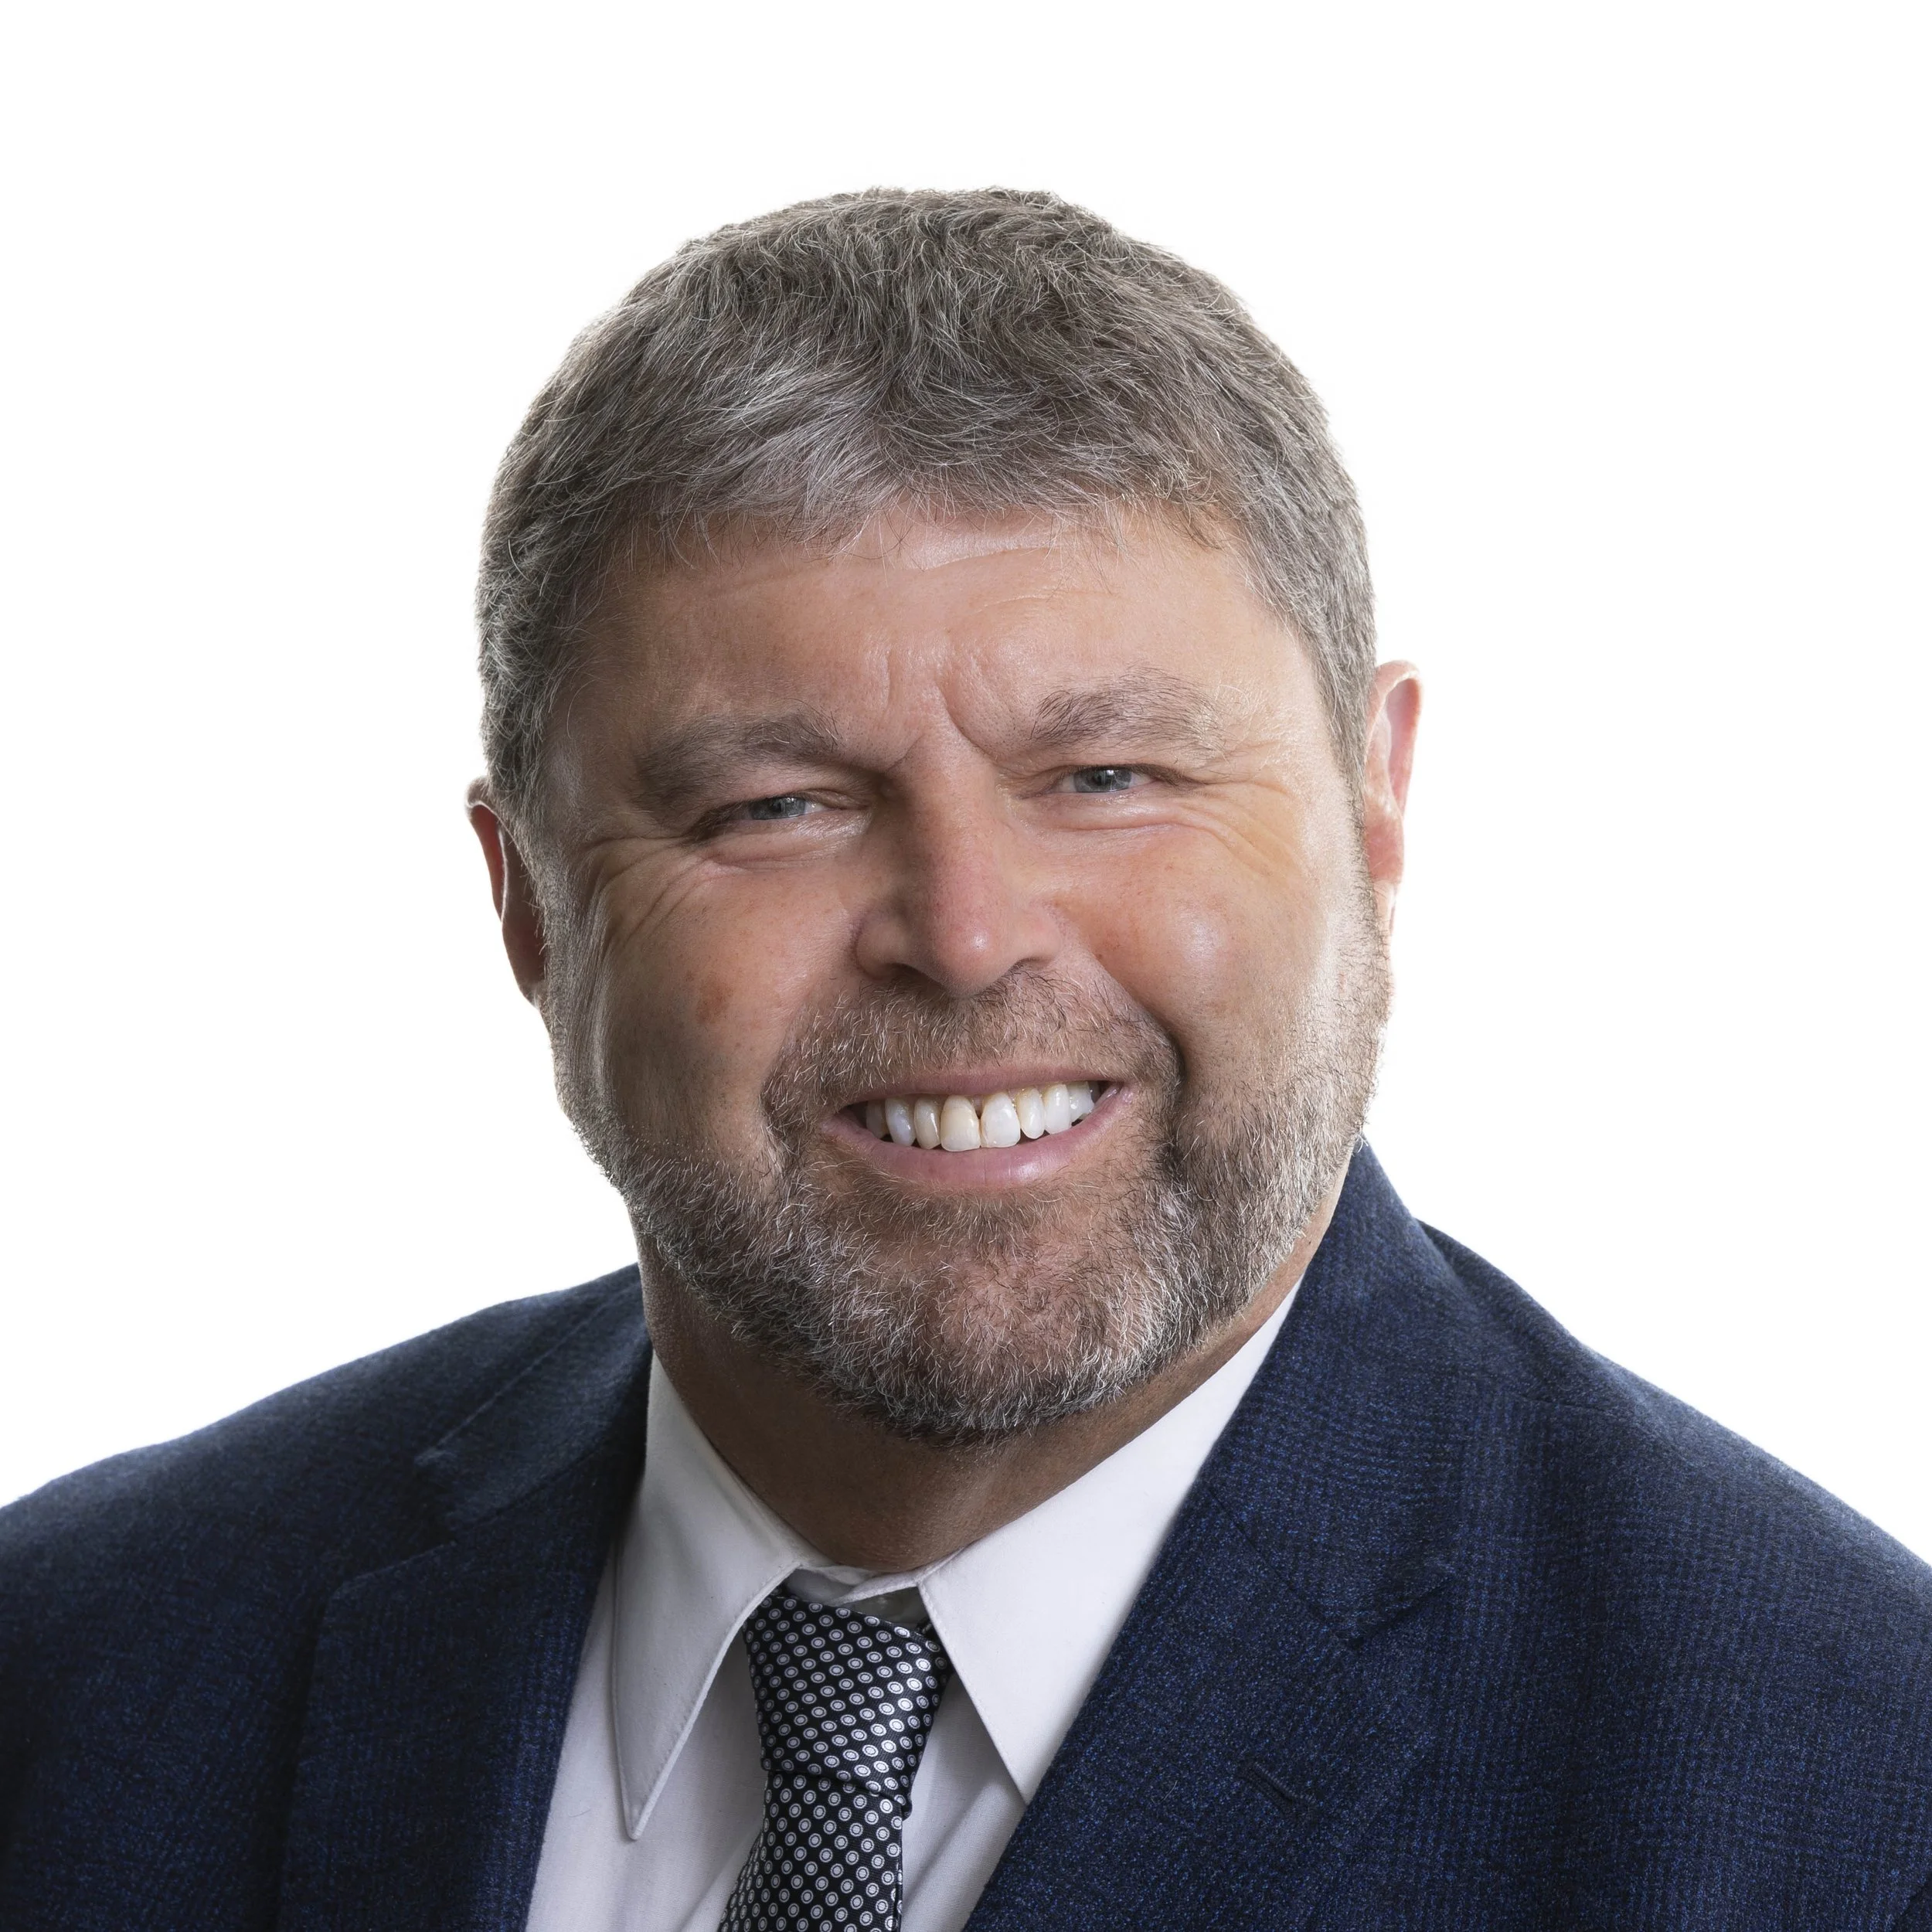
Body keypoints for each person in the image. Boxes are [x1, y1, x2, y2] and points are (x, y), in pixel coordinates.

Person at [2, 187, 1929, 1932]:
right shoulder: (73, 1668)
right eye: (772, 803)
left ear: (1373, 805)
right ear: (526, 905)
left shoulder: (1842, 1800)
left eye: (1107, 775)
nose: (967, 927)